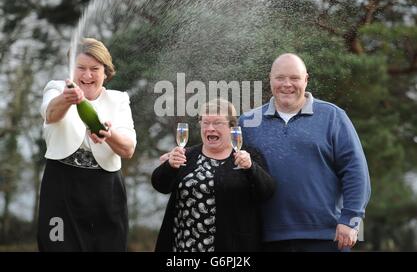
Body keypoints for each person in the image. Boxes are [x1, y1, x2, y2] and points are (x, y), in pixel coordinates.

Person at [239, 53, 371, 252]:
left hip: (327, 236)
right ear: (270, 79)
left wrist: (351, 220)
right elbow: (233, 174)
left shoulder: (333, 117)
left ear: (306, 80)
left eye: (294, 78)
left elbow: (355, 171)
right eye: (280, 78)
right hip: (267, 239)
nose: (287, 84)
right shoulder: (248, 122)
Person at [38, 38, 136, 251]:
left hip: (106, 190)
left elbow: (128, 149)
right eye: (80, 68)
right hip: (62, 186)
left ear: (106, 72)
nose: (87, 75)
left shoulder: (118, 100)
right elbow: (50, 114)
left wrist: (109, 135)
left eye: (94, 69)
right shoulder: (57, 89)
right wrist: (68, 98)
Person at [152, 98, 275, 252]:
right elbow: (160, 185)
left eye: (217, 123)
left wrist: (251, 168)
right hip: (184, 246)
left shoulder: (248, 157)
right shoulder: (186, 155)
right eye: (205, 122)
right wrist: (169, 166)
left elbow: (267, 192)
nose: (210, 128)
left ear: (231, 127)